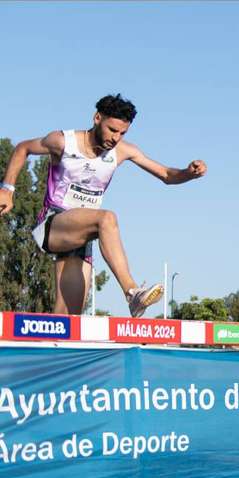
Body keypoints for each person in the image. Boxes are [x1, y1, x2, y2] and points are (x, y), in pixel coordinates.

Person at [0, 93, 206, 317]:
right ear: (97, 118)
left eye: (122, 133)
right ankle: (132, 293)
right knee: (106, 218)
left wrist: (189, 173)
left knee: (67, 322)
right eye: (112, 130)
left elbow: (166, 174)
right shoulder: (63, 141)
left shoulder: (122, 151)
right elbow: (23, 148)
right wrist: (7, 190)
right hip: (53, 224)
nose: (116, 138)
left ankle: (51, 349)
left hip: (82, 236)